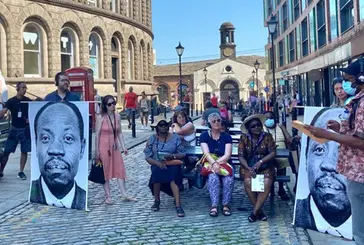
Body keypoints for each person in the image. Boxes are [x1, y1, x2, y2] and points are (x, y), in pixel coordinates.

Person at [305, 59, 364, 244]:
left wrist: (328, 135)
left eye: (349, 79)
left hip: (360, 172)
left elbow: (361, 142)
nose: (346, 84)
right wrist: (340, 129)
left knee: (360, 230)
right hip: (356, 171)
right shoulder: (358, 101)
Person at [295, 107, 352, 238]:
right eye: (319, 150)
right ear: (306, 158)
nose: (328, 165)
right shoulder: (300, 213)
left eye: (342, 151)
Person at [29, 102, 86, 210]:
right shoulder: (33, 193)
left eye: (68, 138)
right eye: (46, 138)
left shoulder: (83, 199)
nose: (55, 150)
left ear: (82, 148)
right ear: (36, 145)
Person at [95, 95, 135, 205]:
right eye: (109, 104)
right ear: (105, 105)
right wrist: (96, 150)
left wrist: (124, 147)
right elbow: (97, 134)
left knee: (120, 168)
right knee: (105, 170)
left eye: (114, 103)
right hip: (103, 145)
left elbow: (119, 132)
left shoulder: (117, 116)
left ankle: (124, 194)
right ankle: (108, 196)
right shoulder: (100, 117)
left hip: (114, 145)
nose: (112, 106)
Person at [144, 115, 186, 217]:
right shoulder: (152, 139)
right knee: (157, 173)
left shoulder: (175, 138)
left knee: (173, 176)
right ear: (157, 127)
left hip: (172, 163)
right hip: (157, 163)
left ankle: (178, 204)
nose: (164, 127)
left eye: (165, 124)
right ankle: (157, 200)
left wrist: (172, 156)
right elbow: (148, 157)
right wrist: (157, 163)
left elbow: (183, 153)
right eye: (161, 125)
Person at [238, 114, 276, 222]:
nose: (256, 128)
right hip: (248, 166)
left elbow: (273, 152)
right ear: (249, 128)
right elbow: (241, 156)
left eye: (258, 125)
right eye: (253, 126)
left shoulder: (267, 136)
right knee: (248, 182)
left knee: (267, 182)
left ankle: (254, 212)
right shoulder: (244, 138)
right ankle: (259, 211)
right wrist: (249, 168)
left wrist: (261, 161)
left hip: (265, 166)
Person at [200, 113, 233, 217]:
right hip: (210, 163)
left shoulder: (226, 136)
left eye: (218, 120)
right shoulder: (204, 136)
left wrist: (217, 163)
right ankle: (214, 205)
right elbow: (206, 153)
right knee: (213, 177)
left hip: (224, 163)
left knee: (228, 178)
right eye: (214, 121)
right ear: (209, 123)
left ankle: (225, 204)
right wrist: (213, 164)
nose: (217, 123)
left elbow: (227, 155)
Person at [264, 110, 300, 200]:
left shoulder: (280, 126)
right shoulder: (261, 128)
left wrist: (293, 138)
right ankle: (267, 189)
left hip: (282, 153)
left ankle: (281, 189)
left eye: (271, 118)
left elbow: (288, 138)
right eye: (266, 118)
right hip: (267, 154)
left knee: (282, 169)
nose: (269, 120)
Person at [0, 82, 32, 180]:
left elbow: (34, 110)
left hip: (25, 129)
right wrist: (2, 112)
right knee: (7, 151)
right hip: (14, 129)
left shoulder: (28, 101)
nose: (24, 90)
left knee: (24, 151)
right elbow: (4, 111)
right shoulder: (11, 101)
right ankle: (1, 170)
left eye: (25, 88)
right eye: (22, 88)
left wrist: (30, 119)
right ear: (17, 89)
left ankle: (21, 171)